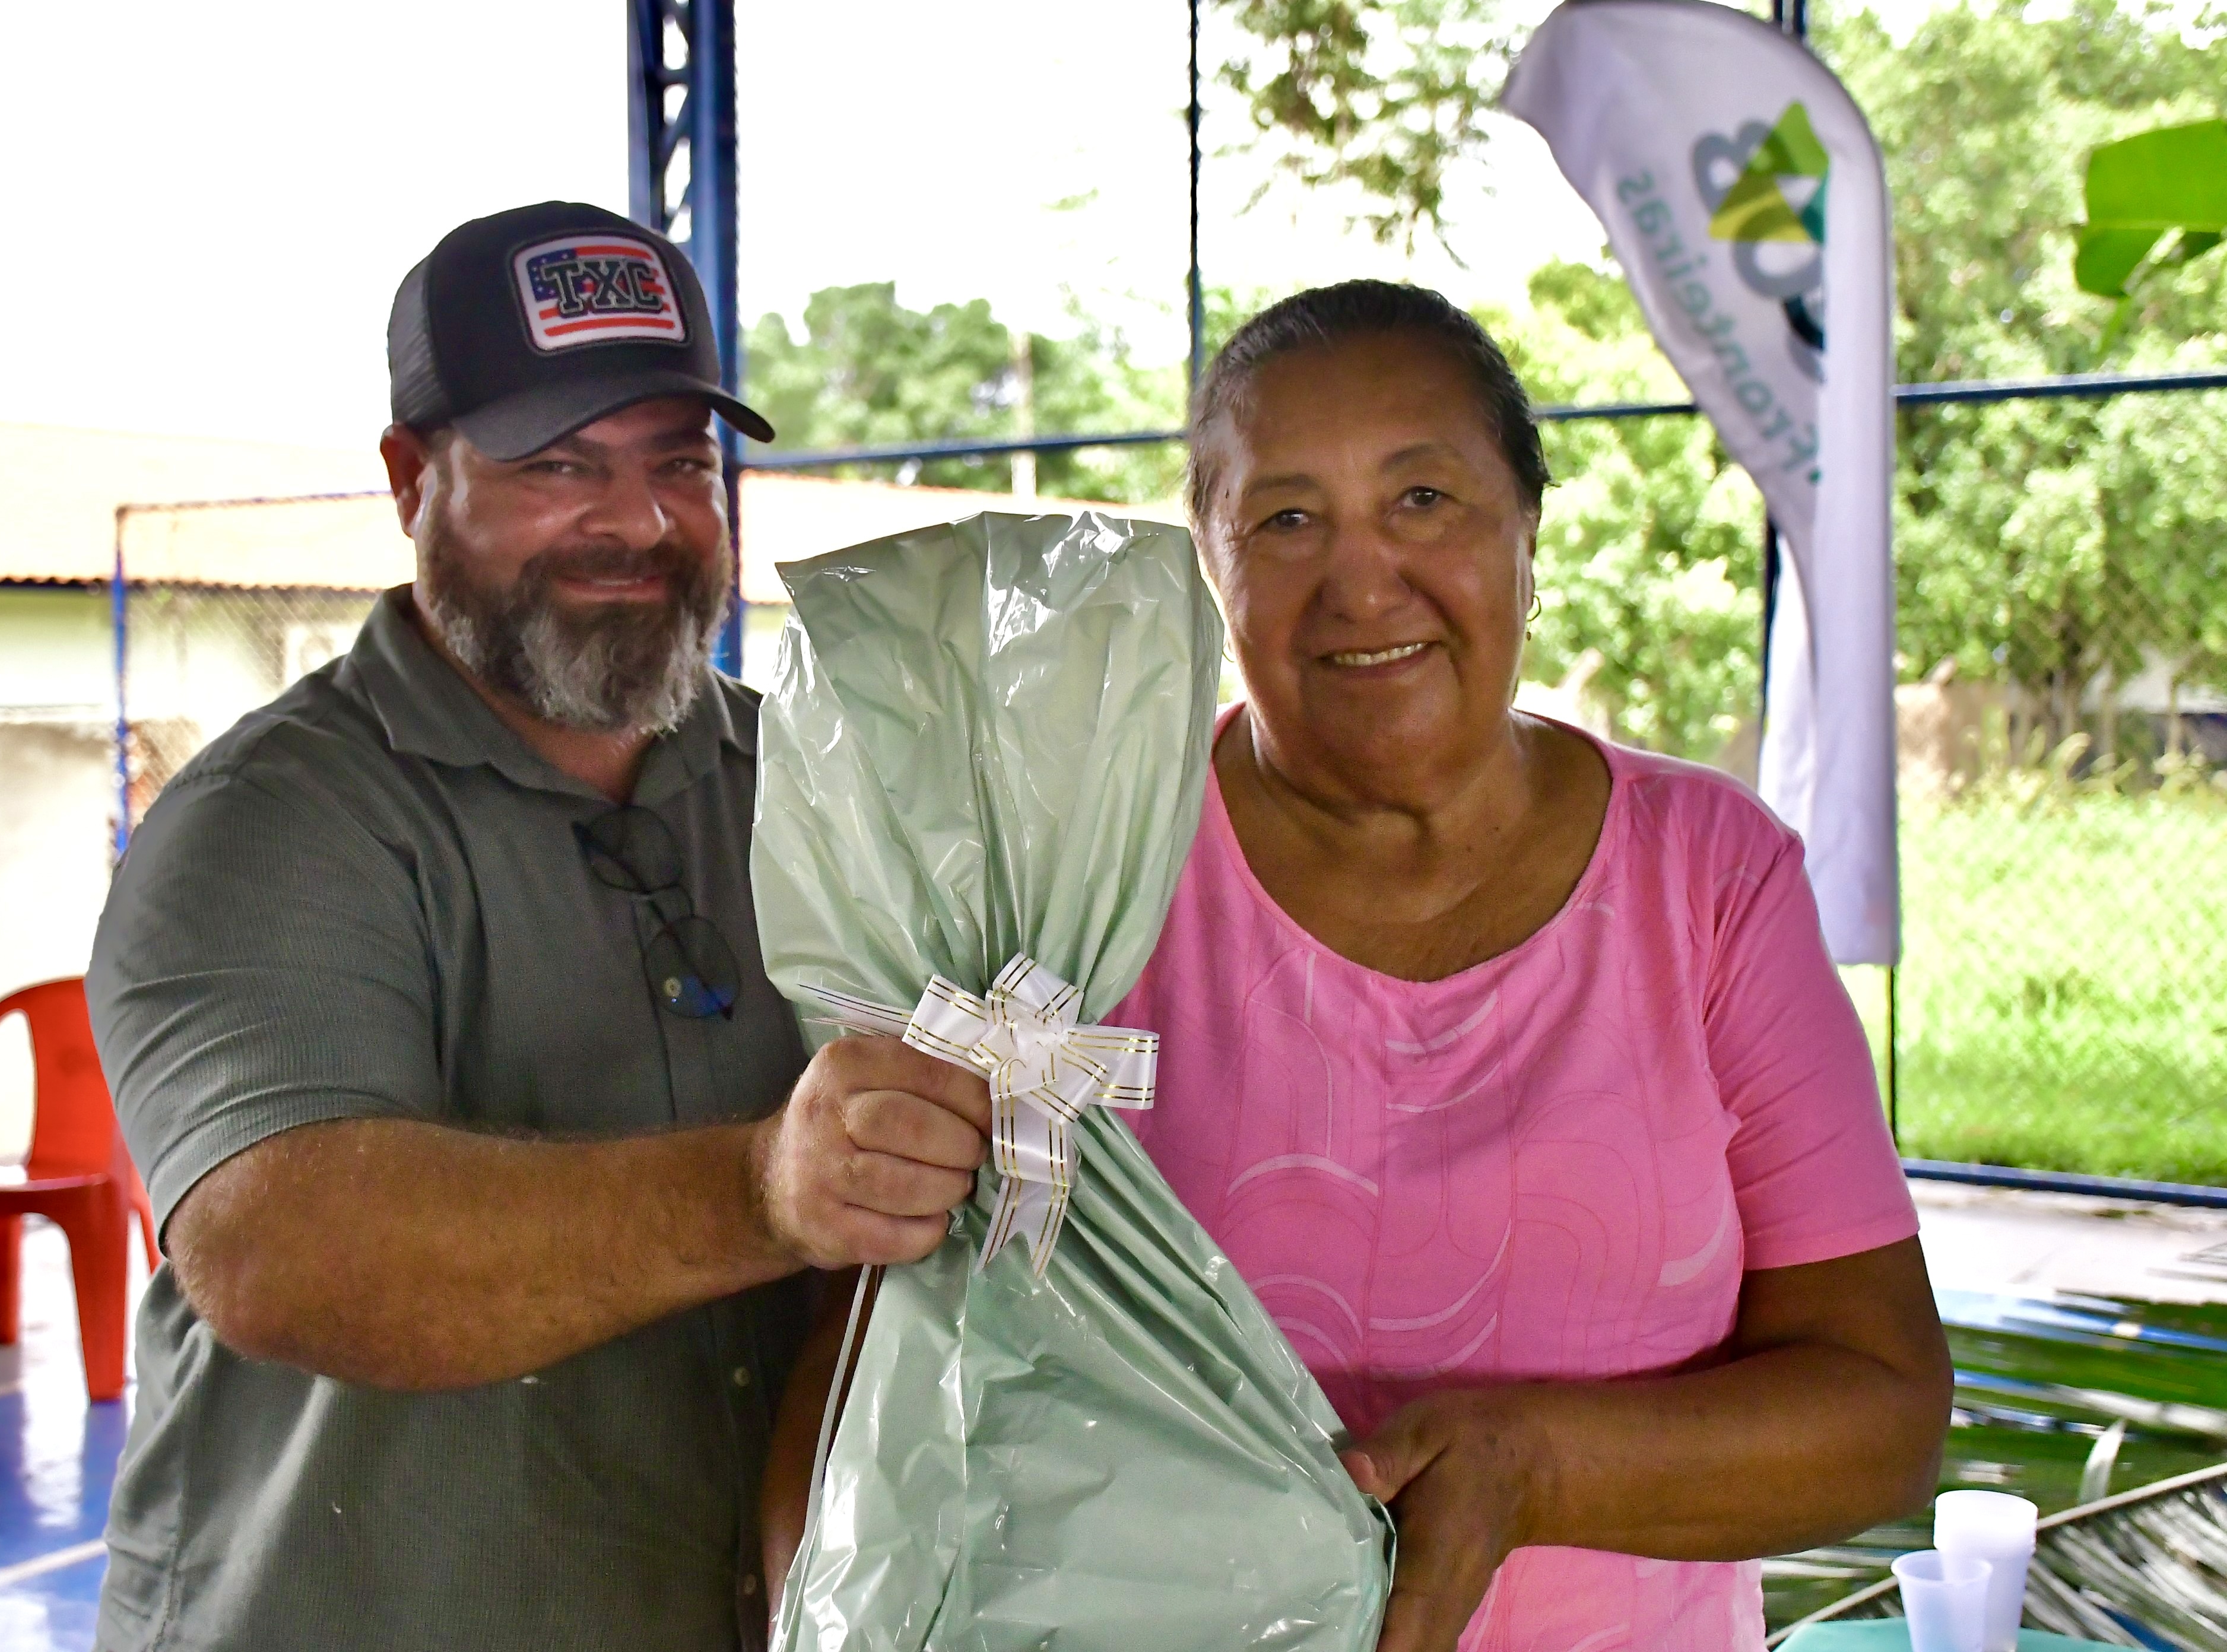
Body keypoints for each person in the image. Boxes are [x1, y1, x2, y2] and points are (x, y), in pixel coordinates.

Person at [762, 282, 1953, 1652]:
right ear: (1212, 563)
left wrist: (1532, 1469)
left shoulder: (1708, 880)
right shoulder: (1078, 885)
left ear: (1528, 530)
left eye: (1424, 500)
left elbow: (1882, 1410)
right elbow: (874, 1372)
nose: (1364, 582)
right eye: (1286, 519)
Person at [85, 203, 991, 1652]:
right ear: (410, 479)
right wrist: (765, 1189)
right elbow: (283, 1249)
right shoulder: (269, 824)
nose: (635, 523)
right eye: (557, 466)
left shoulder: (821, 783)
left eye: (680, 465)